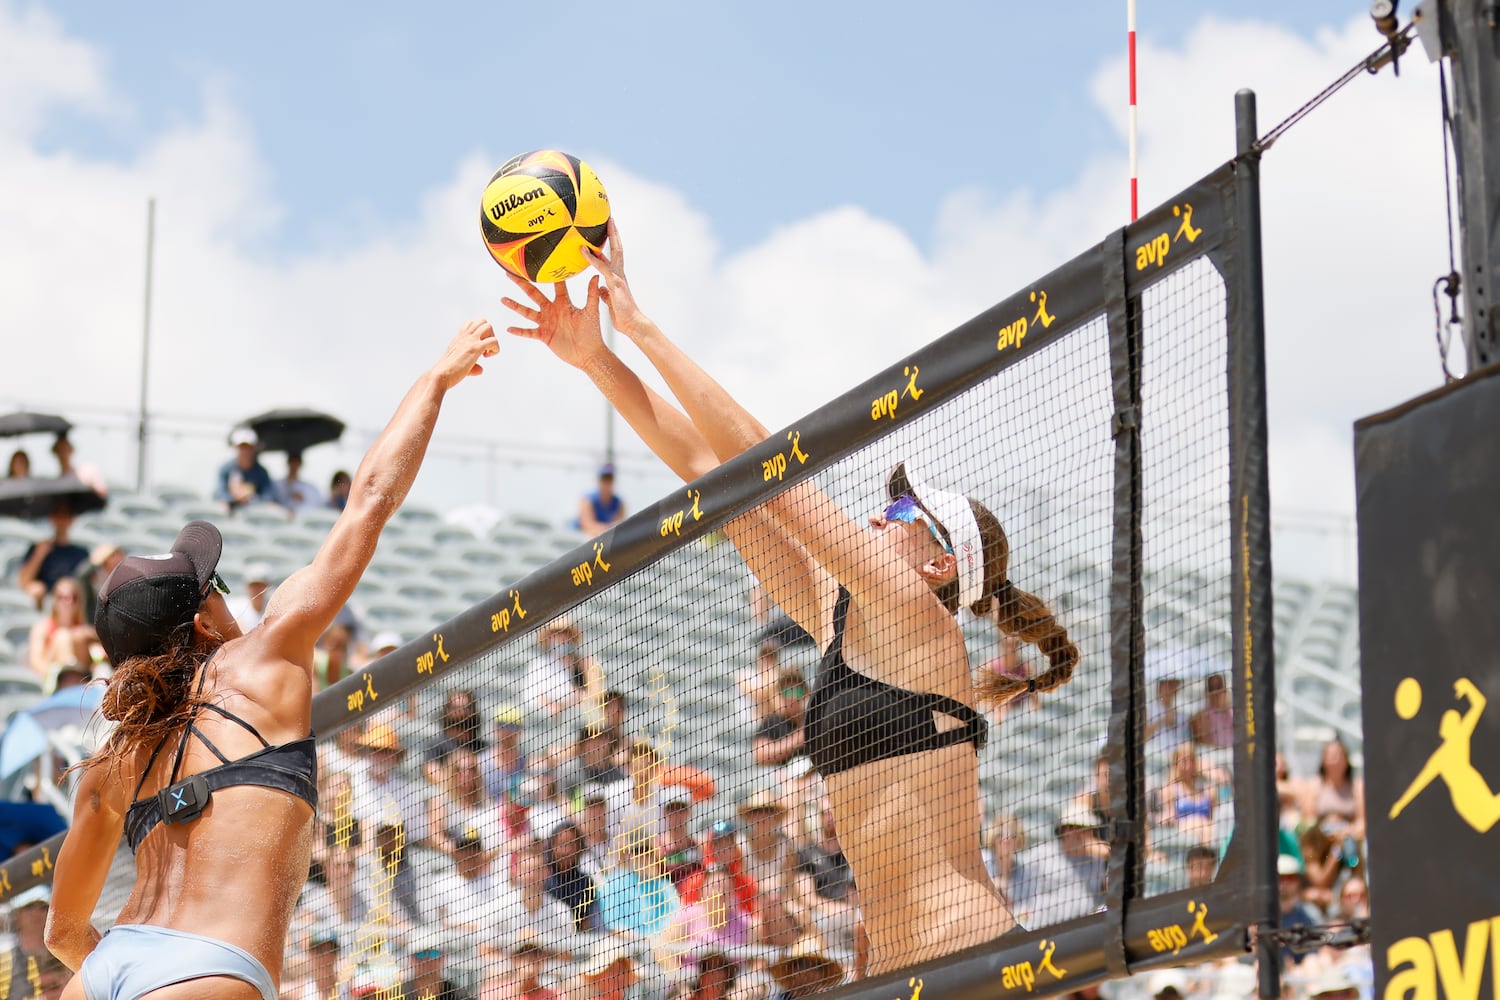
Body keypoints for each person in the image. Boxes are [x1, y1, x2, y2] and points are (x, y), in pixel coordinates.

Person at [501, 220, 1080, 971]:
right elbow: (717, 474)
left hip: (964, 956)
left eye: (903, 513)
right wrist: (596, 359)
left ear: (940, 568)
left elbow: (766, 459)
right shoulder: (847, 623)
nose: (879, 512)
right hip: (894, 967)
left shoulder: (919, 621)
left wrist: (639, 323)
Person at [45, 319, 498, 999]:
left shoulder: (111, 763)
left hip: (110, 968)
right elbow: (370, 499)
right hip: (209, 970)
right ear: (202, 618)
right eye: (217, 587)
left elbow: (62, 933)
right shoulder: (263, 662)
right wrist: (436, 379)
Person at [16, 501, 89, 610]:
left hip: (72, 602)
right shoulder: (39, 548)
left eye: (66, 515)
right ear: (51, 517)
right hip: (46, 603)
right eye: (58, 514)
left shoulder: (81, 553)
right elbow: (23, 582)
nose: (61, 520)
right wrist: (38, 555)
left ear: (72, 519)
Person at [27, 576, 95, 686]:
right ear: (54, 600)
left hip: (82, 676)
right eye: (61, 597)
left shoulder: (84, 631)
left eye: (73, 597)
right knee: (63, 636)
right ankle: (68, 679)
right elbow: (36, 663)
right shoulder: (42, 627)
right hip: (52, 677)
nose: (67, 602)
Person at [214, 426, 276, 511]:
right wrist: (234, 498)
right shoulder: (226, 469)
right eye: (242, 447)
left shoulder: (261, 472)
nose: (245, 451)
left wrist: (250, 498)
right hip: (231, 512)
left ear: (254, 448)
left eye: (248, 447)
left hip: (254, 514)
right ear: (236, 448)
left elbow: (268, 496)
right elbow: (219, 493)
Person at [576, 463, 625, 536]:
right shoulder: (588, 500)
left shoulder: (619, 503)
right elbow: (587, 525)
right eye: (604, 480)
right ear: (599, 481)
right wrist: (608, 528)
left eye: (609, 480)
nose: (606, 483)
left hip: (603, 538)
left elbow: (619, 526)